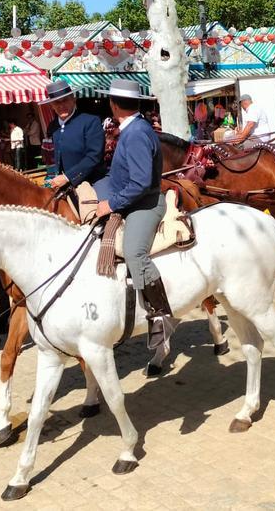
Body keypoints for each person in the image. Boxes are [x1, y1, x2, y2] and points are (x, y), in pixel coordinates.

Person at [92, 79, 176, 347]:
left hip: (145, 204)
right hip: (133, 201)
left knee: (134, 252)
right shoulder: (133, 128)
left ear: (114, 105)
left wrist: (111, 203)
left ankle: (161, 316)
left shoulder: (137, 132)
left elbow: (140, 183)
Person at [42, 78, 106, 206]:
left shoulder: (90, 121)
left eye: (65, 100)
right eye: (56, 103)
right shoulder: (52, 126)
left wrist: (67, 177)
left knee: (95, 217)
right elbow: (51, 156)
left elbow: (94, 157)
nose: (61, 105)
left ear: (73, 99)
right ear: (51, 105)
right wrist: (51, 178)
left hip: (90, 181)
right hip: (59, 183)